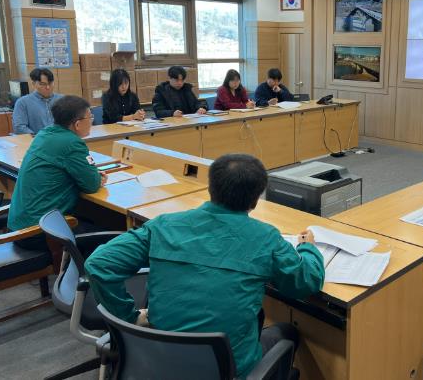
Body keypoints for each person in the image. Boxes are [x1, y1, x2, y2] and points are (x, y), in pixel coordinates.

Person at [85, 153, 324, 378]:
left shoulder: (163, 225)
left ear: (210, 188)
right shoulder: (266, 238)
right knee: (287, 332)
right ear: (255, 199)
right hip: (228, 370)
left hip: (156, 360)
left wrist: (129, 318)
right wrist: (307, 248)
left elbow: (99, 264)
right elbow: (306, 282)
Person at [8, 95, 106, 251]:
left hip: (20, 225)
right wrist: (96, 177)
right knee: (112, 239)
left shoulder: (44, 133)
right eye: (90, 117)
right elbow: (92, 185)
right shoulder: (72, 143)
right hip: (38, 232)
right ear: (77, 124)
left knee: (92, 221)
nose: (92, 121)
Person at [12, 67, 63, 135]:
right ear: (33, 84)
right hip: (36, 139)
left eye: (50, 83)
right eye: (43, 84)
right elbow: (19, 127)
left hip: (60, 138)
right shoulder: (23, 102)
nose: (48, 87)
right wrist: (39, 137)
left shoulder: (62, 100)